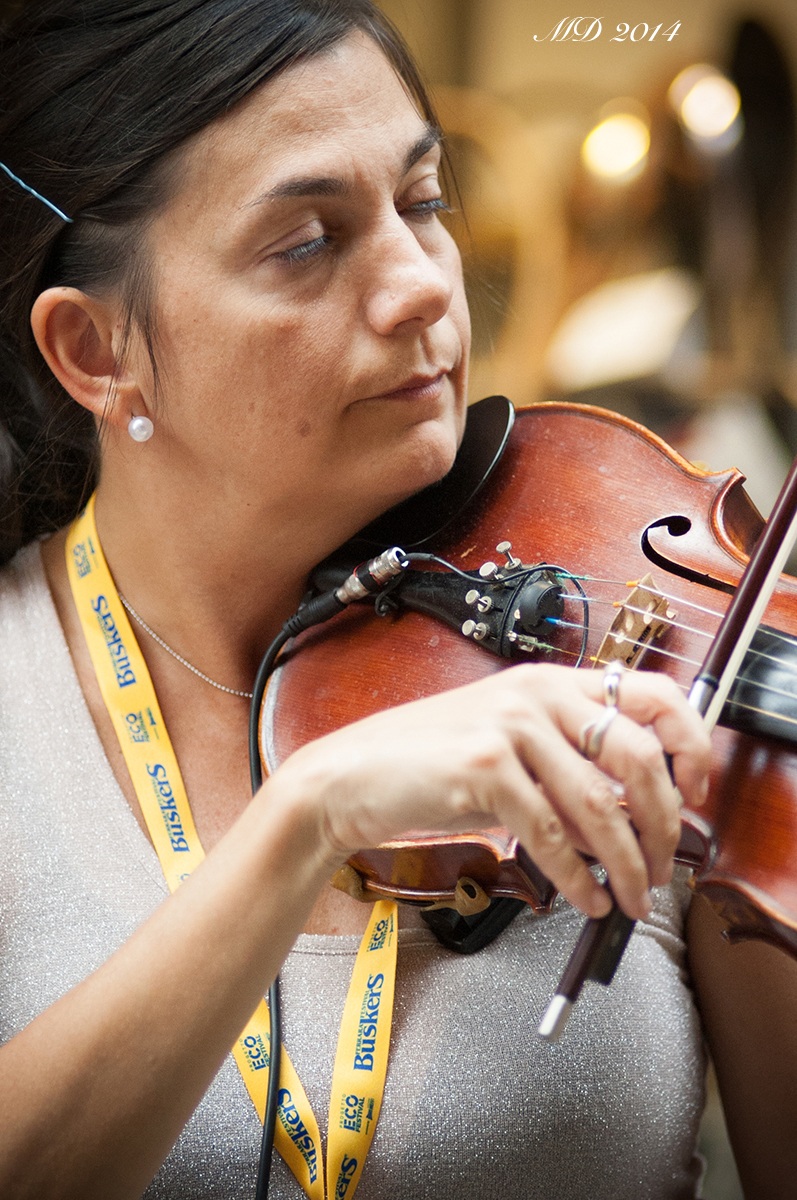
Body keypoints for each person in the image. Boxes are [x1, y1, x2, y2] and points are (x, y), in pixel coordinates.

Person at [0, 2, 793, 1197]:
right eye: (305, 242)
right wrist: (304, 819)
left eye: (421, 202)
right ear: (95, 351)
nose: (422, 286)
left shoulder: (658, 652)